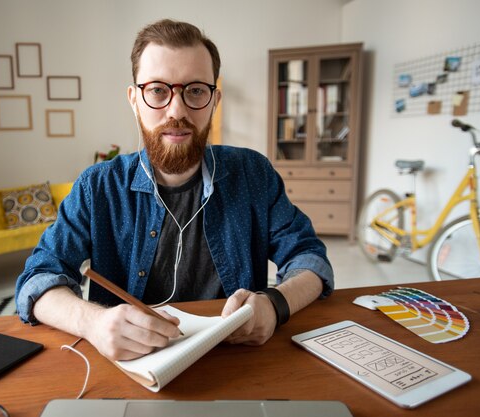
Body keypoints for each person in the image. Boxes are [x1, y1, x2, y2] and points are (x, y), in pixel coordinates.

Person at [16, 19, 334, 361]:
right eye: (157, 90)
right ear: (134, 99)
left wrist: (275, 305)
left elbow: (310, 259)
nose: (177, 110)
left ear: (214, 99)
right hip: (129, 371)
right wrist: (93, 322)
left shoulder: (253, 174)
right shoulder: (98, 187)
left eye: (196, 90)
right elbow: (38, 279)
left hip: (238, 365)